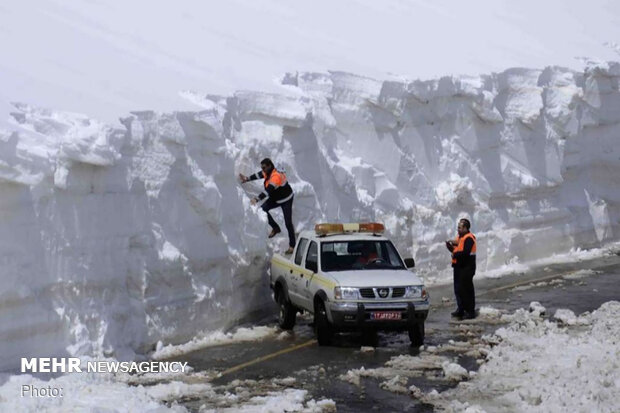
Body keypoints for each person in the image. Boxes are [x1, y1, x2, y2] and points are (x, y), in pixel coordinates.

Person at [239, 158, 296, 254]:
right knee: (263, 210)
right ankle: (276, 228)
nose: (263, 170)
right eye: (262, 168)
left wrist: (256, 199)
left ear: (270, 166)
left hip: (286, 199)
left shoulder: (276, 176)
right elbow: (259, 175)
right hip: (276, 197)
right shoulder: (268, 172)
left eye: (264, 167)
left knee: (288, 223)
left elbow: (268, 190)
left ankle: (292, 245)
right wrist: (247, 178)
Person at [445, 218, 477, 319]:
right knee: (458, 289)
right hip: (459, 266)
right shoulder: (460, 237)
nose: (458, 229)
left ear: (466, 228)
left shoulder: (469, 238)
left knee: (466, 290)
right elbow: (457, 248)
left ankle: (470, 311)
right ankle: (461, 309)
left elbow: (465, 252)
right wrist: (451, 247)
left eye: (460, 227)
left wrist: (455, 253)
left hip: (467, 267)